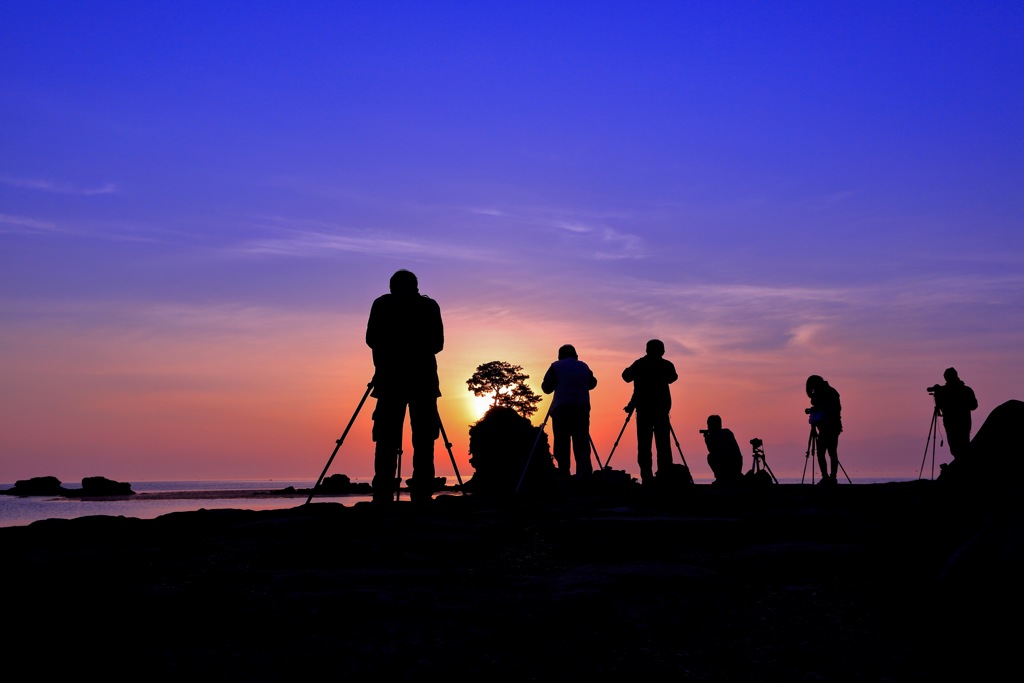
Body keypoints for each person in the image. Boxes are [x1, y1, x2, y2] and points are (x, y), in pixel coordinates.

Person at [365, 270, 444, 504]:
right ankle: (422, 493)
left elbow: (371, 339)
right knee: (424, 438)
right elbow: (437, 344)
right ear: (416, 285)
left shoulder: (382, 304)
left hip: (390, 379)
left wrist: (392, 348)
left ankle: (383, 493)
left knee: (387, 438)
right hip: (423, 380)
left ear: (392, 286)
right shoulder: (429, 306)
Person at [621, 339, 678, 485]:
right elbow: (673, 377)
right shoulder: (666, 365)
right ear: (661, 351)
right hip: (661, 410)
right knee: (664, 445)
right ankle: (664, 476)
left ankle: (647, 477)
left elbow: (626, 376)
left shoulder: (640, 364)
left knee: (644, 445)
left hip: (644, 410)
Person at [541, 344, 598, 481]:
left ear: (559, 356)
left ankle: (564, 476)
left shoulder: (556, 366)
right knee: (581, 442)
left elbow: (546, 388)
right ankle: (584, 479)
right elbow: (593, 383)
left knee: (562, 442)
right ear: (576, 355)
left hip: (561, 409)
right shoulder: (584, 366)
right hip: (581, 409)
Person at [931, 367, 978, 460]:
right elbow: (974, 406)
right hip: (962, 422)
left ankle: (961, 463)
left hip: (953, 422)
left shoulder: (947, 391)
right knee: (961, 445)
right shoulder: (966, 390)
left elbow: (940, 405)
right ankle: (962, 462)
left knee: (956, 446)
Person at [805, 374, 842, 484]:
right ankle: (829, 477)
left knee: (827, 452)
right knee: (827, 452)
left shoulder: (828, 392)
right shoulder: (825, 392)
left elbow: (835, 408)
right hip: (827, 427)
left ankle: (830, 477)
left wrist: (817, 409)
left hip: (830, 427)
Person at [703, 415, 744, 486]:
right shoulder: (728, 433)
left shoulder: (717, 436)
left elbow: (712, 451)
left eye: (709, 425)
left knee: (710, 457)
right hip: (736, 467)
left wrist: (707, 438)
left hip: (728, 466)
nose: (708, 427)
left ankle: (721, 479)